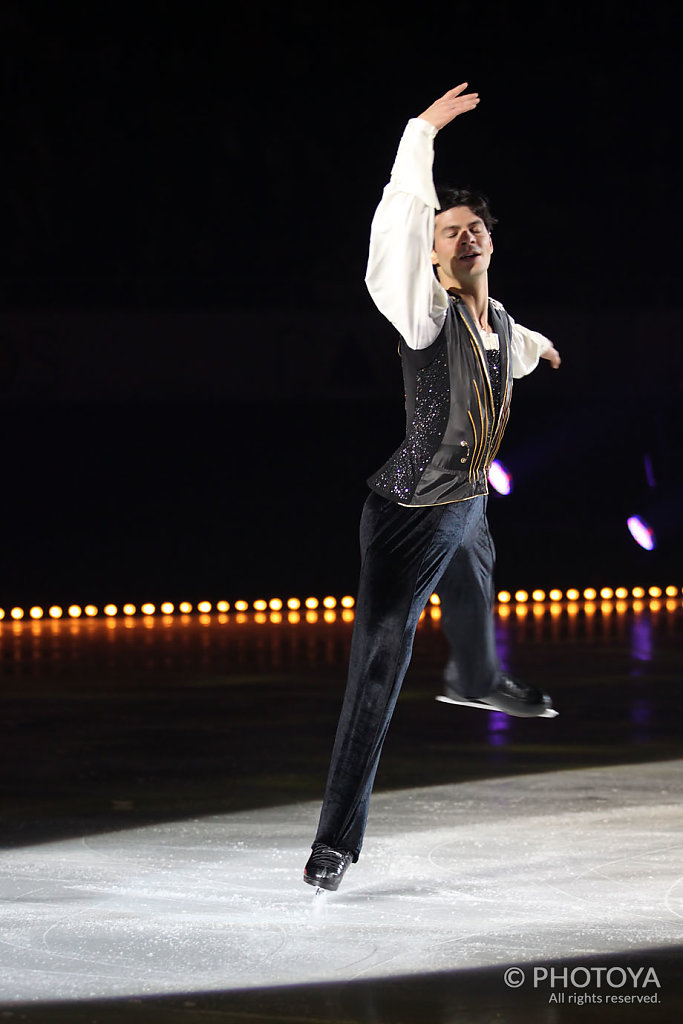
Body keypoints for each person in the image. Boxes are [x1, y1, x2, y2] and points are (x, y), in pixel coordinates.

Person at [303, 85, 561, 893]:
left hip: (468, 507)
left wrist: (544, 348)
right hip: (409, 513)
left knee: (478, 585)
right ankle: (335, 843)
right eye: (449, 229)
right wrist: (421, 132)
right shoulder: (421, 311)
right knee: (376, 671)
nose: (464, 232)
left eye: (474, 225)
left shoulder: (504, 324)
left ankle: (475, 678)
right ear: (434, 252)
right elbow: (398, 224)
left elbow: (512, 349)